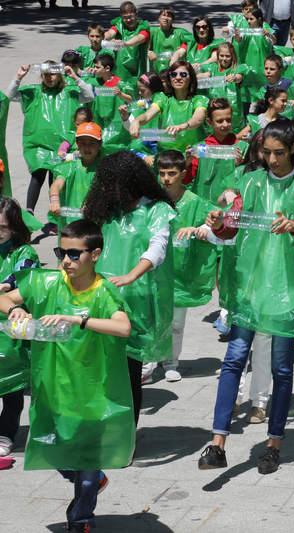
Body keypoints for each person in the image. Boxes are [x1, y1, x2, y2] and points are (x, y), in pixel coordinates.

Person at [198, 119, 294, 473]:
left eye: (278, 153)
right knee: (234, 358)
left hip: (289, 288)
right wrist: (217, 222)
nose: (271, 160)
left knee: (282, 366)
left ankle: (274, 443)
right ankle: (217, 442)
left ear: (292, 150)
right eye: (266, 152)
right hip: (252, 285)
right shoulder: (251, 182)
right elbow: (232, 223)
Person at [0, 219, 134, 532]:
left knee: (86, 462)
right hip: (53, 388)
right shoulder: (46, 282)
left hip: (93, 393)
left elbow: (123, 327)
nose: (66, 260)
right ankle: (88, 479)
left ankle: (81, 520)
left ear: (95, 254)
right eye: (62, 252)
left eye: (75, 254)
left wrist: (77, 320)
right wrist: (14, 310)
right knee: (50, 448)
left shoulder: (104, 292)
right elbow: (5, 297)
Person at [83, 151, 176, 423]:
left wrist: (131, 276)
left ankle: (126, 435)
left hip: (136, 300)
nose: (106, 189)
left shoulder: (157, 210)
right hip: (101, 297)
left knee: (129, 370)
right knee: (99, 367)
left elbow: (157, 249)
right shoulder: (106, 211)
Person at [154, 150, 220, 383]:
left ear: (183, 173)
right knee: (152, 317)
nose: (166, 179)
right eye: (162, 173)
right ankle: (148, 361)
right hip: (153, 269)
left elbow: (215, 224)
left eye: (172, 173)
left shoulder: (195, 202)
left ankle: (172, 361)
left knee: (176, 322)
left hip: (181, 272)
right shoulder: (152, 199)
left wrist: (201, 229)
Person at [8, 62, 95, 213]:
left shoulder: (70, 92)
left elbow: (89, 95)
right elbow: (10, 95)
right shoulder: (33, 92)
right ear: (41, 75)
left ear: (59, 74)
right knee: (37, 176)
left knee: (55, 180)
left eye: (52, 74)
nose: (49, 77)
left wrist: (75, 77)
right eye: (45, 74)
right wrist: (18, 77)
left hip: (62, 146)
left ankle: (54, 214)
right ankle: (29, 213)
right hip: (38, 146)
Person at [0, 198, 40, 462]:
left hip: (11, 329)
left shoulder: (25, 254)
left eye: (2, 227)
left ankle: (6, 434)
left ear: (14, 227)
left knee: (12, 388)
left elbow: (22, 288)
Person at [129, 62, 209, 153]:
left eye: (183, 74)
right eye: (174, 75)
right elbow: (147, 115)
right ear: (169, 79)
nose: (178, 78)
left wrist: (181, 127)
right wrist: (137, 121)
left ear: (191, 78)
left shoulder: (200, 100)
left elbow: (197, 119)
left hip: (191, 154)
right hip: (167, 155)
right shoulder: (162, 99)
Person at [48, 122, 103, 231]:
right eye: (83, 143)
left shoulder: (104, 166)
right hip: (71, 224)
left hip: (96, 222)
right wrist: (54, 200)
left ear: (100, 144)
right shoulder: (69, 166)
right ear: (77, 144)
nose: (87, 147)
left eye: (92, 143)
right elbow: (57, 184)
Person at [104, 1, 151, 82]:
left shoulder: (143, 26)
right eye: (125, 17)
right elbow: (110, 33)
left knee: (135, 92)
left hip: (137, 70)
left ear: (136, 13)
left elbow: (140, 38)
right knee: (116, 92)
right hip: (119, 70)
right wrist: (103, 37)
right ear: (121, 16)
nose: (128, 20)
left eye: (131, 16)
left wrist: (125, 43)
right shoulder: (119, 24)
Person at [148, 8, 192, 74]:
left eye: (169, 16)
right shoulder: (152, 32)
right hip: (156, 72)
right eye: (163, 15)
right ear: (159, 18)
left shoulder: (180, 32)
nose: (166, 18)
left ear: (172, 20)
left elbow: (193, 41)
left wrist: (182, 49)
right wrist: (148, 52)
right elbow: (140, 44)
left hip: (176, 71)